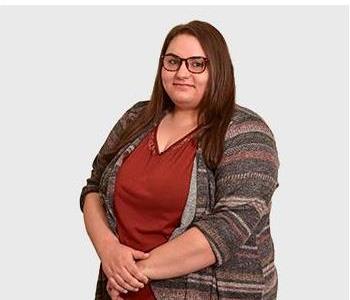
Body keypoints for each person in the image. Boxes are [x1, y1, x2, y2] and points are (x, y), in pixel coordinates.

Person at [80, 20, 280, 300]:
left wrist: (132, 273)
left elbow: (228, 228)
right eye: (173, 61)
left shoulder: (246, 133)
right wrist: (109, 251)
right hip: (120, 292)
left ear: (218, 69)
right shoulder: (136, 119)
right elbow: (93, 190)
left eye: (197, 63)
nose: (182, 72)